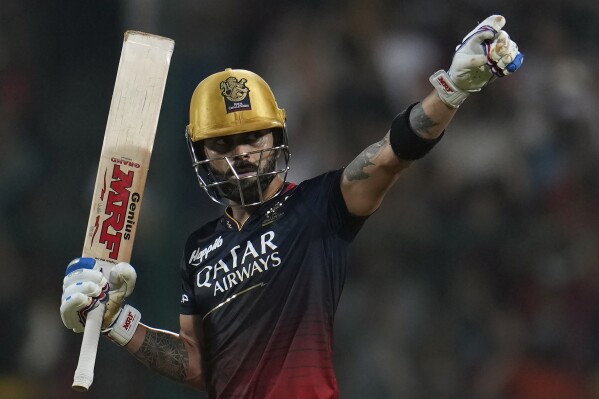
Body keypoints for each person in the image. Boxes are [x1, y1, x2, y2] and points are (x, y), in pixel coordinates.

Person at [60, 15, 523, 399]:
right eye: (223, 143)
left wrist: (450, 91)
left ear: (277, 137)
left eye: (251, 137)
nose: (240, 153)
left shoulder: (319, 206)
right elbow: (200, 364)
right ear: (202, 154)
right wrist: (118, 321)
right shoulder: (198, 249)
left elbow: (391, 154)